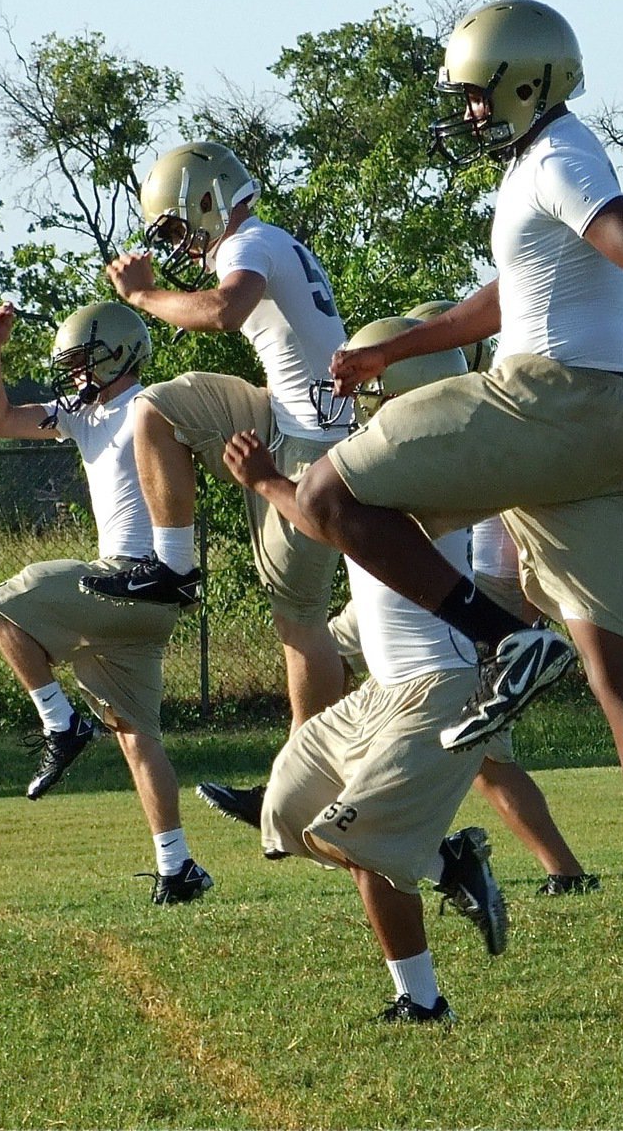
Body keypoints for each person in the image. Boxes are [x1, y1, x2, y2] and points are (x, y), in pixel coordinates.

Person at [291, 0, 623, 1022]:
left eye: (476, 96)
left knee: (327, 492)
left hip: (559, 396)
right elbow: (510, 290)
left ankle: (496, 642)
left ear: (527, 83)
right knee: (619, 674)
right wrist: (394, 348)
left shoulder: (561, 155)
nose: (467, 114)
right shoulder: (542, 169)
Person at [201, 318, 510, 1024]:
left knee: (356, 833)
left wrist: (268, 480)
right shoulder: (383, 463)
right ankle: (439, 891)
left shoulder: (434, 467)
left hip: (439, 690)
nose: (355, 402)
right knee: (287, 813)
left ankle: (428, 966)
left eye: (370, 391)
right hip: (381, 692)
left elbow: (324, 520)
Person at [79, 142, 347, 729]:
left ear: (209, 199)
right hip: (282, 413)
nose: (180, 243)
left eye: (179, 226)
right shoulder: (268, 240)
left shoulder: (249, 241)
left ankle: (306, 778)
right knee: (155, 409)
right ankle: (174, 566)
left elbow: (226, 310)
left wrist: (144, 296)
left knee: (299, 623)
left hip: (311, 442)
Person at [0, 301, 212, 904]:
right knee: (137, 734)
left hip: (132, 580)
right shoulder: (87, 415)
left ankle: (60, 722)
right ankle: (177, 867)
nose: (75, 374)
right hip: (136, 604)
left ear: (118, 353)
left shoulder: (150, 405)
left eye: (83, 361)